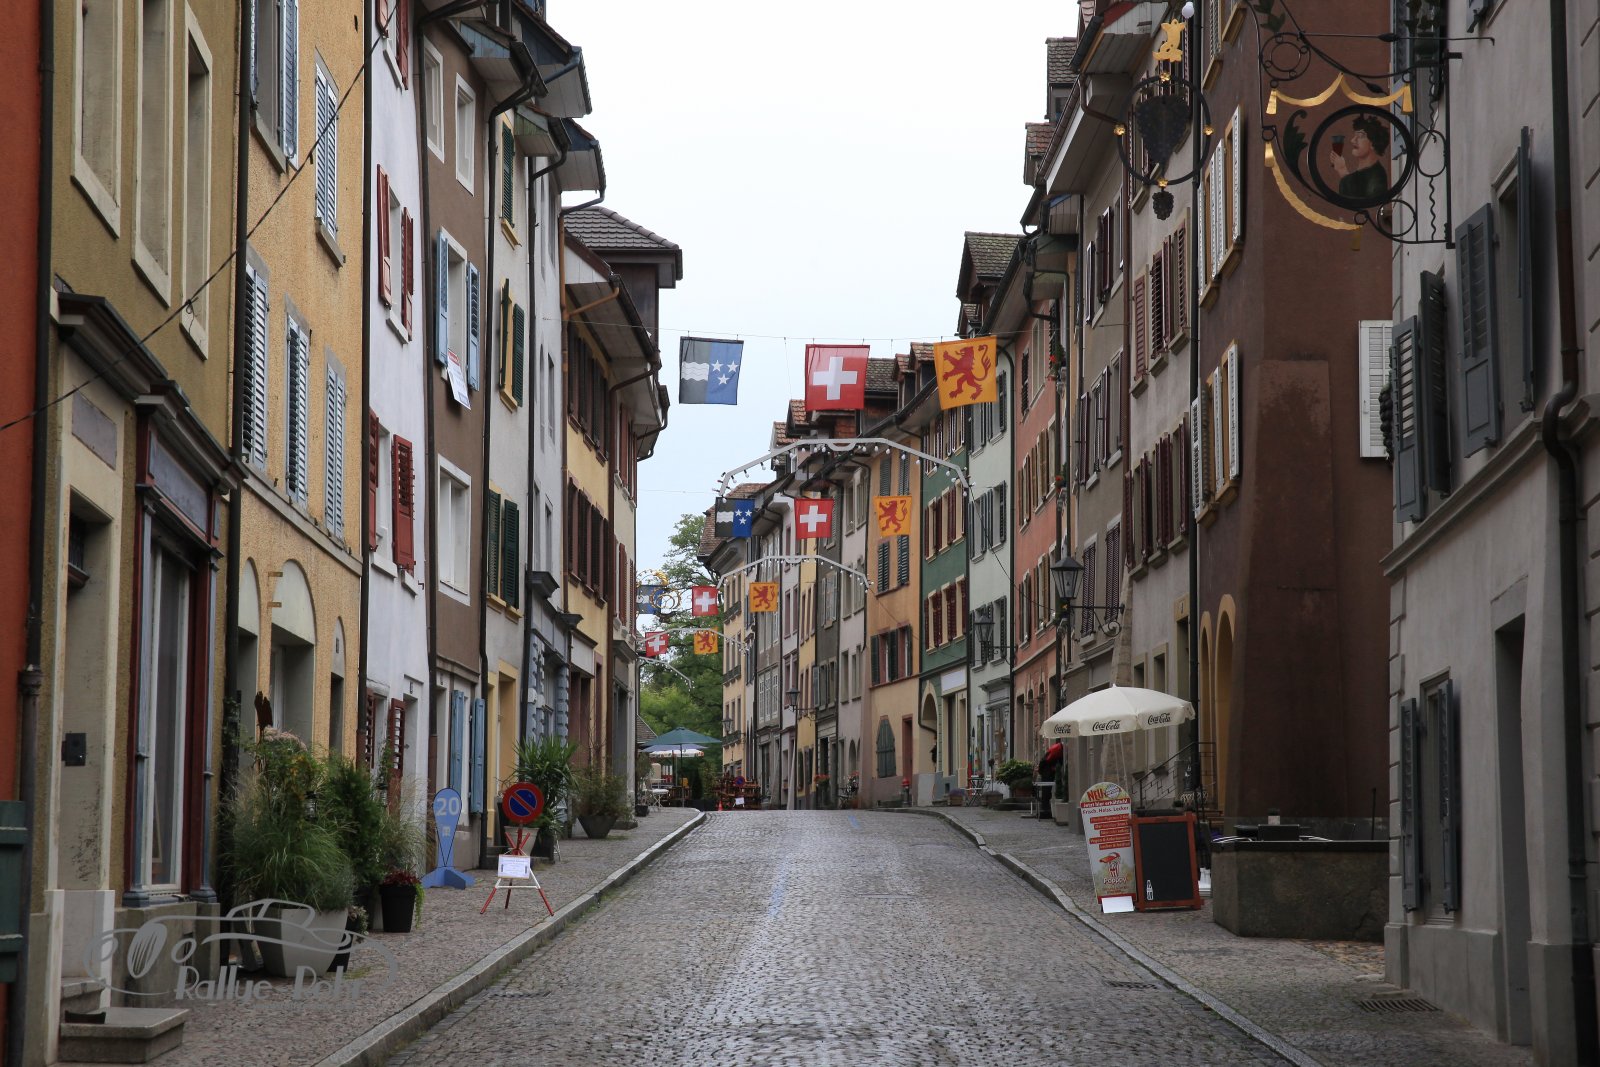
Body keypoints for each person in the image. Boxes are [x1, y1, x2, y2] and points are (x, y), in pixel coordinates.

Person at [1329, 115, 1390, 204]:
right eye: (1354, 136)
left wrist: (1342, 171)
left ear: (1373, 143)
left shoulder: (1377, 176)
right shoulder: (1361, 174)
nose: (1353, 140)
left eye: (1360, 136)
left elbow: (1361, 203)